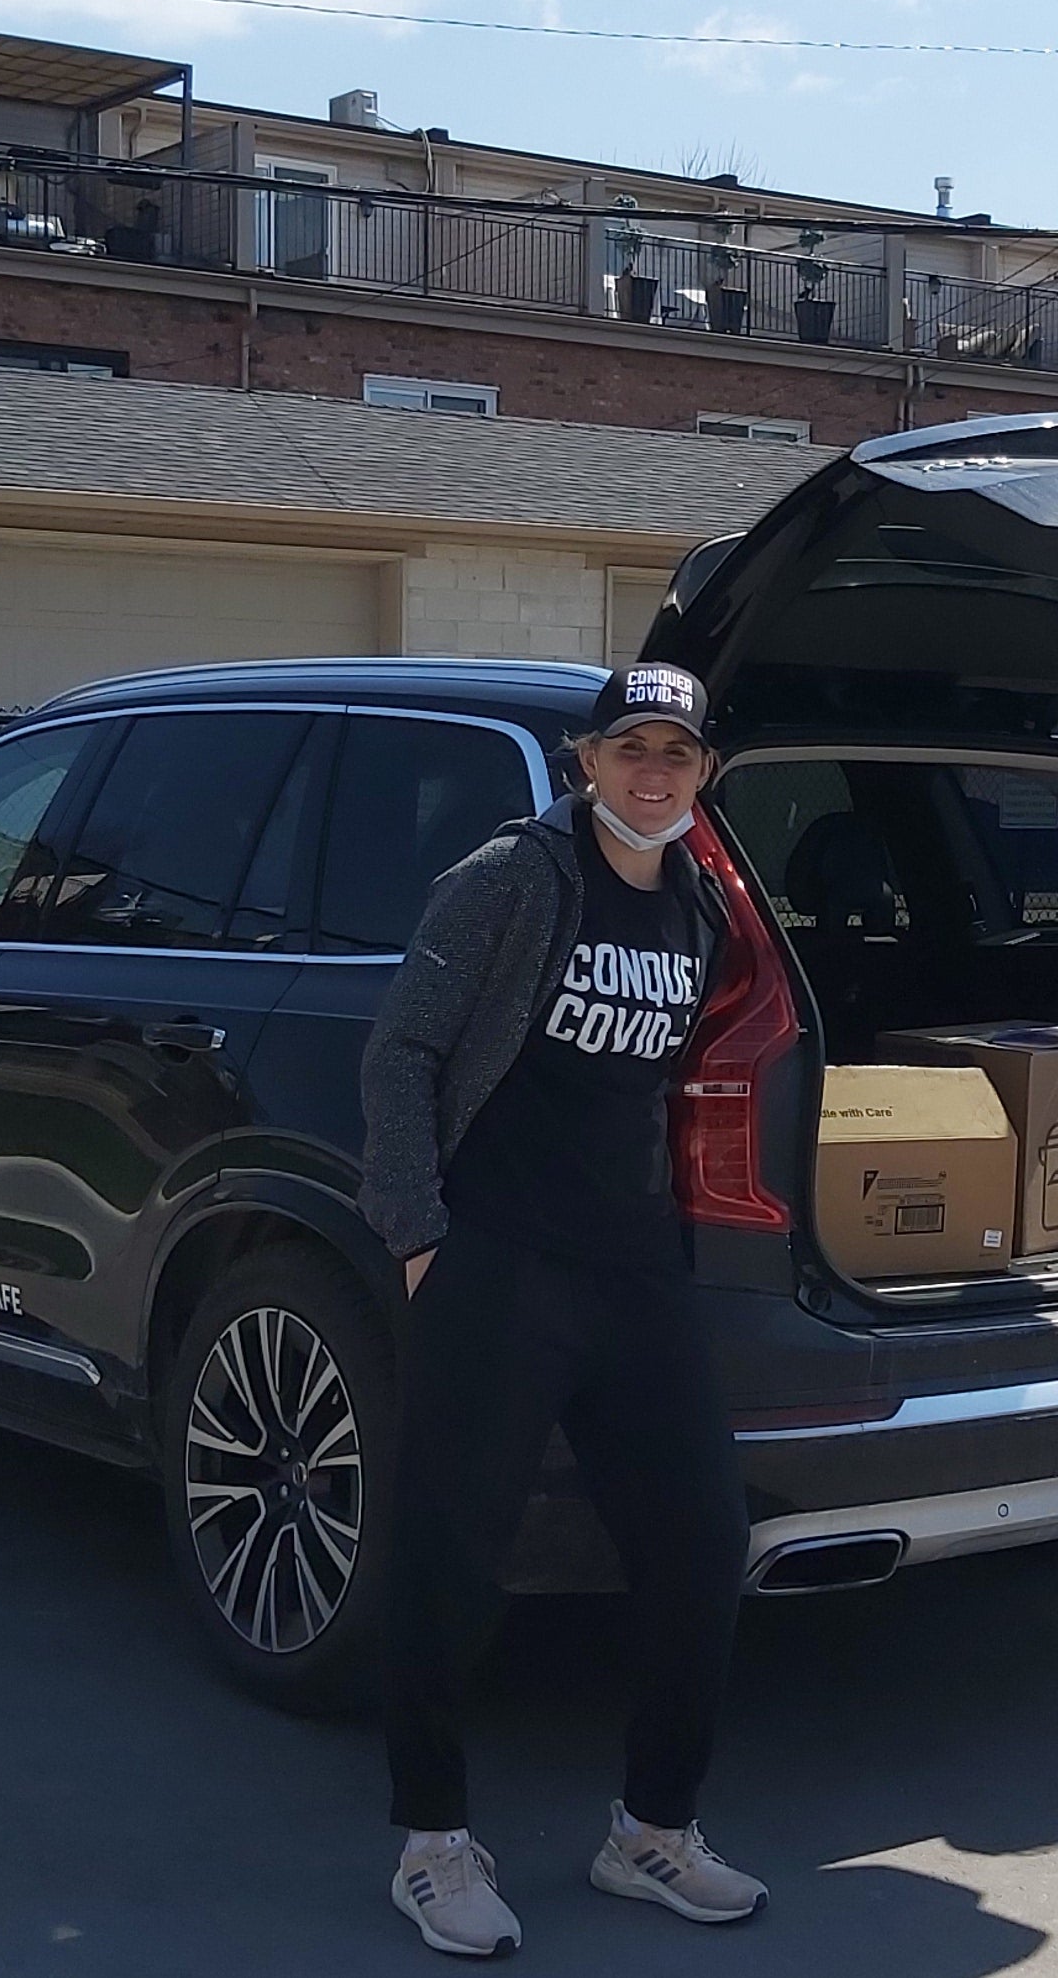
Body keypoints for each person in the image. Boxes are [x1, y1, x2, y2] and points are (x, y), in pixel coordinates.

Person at [358, 662, 765, 1958]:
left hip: (631, 1272)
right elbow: (403, 1050)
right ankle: (430, 1844)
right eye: (632, 747)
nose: (655, 773)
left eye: (679, 755)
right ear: (586, 758)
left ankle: (651, 1829)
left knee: (703, 1540)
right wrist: (418, 1232)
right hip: (497, 1263)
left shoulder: (695, 902)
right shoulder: (512, 878)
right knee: (452, 1557)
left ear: (705, 774)